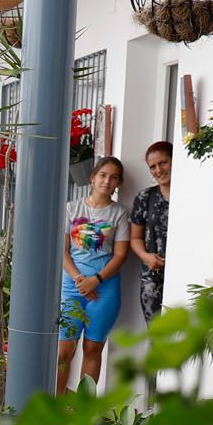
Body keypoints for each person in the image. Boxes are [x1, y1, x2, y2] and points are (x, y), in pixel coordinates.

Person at [57, 156, 128, 393]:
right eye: (103, 175)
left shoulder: (119, 213)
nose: (107, 181)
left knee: (92, 348)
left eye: (114, 177)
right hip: (72, 288)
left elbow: (120, 256)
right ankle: (54, 407)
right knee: (64, 351)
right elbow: (63, 250)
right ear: (92, 177)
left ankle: (80, 413)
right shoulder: (71, 208)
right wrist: (79, 279)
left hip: (104, 290)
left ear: (118, 183)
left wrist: (95, 281)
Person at [129, 141, 174, 325]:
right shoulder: (144, 197)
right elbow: (135, 237)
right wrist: (145, 256)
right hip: (153, 279)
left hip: (186, 272)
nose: (158, 170)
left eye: (163, 163)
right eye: (152, 167)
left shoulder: (190, 194)